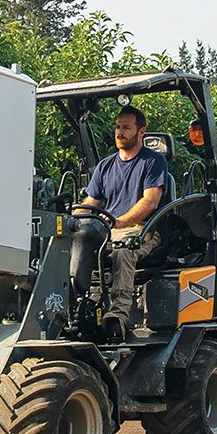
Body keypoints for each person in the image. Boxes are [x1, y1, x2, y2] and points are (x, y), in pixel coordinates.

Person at [68, 105, 168, 339]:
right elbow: (90, 203)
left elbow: (150, 202)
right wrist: (72, 223)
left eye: (126, 127)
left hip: (141, 229)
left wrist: (120, 222)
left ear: (141, 132)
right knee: (72, 244)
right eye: (117, 127)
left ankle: (118, 317)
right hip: (109, 229)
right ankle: (71, 308)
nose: (119, 132)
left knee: (123, 250)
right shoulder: (105, 166)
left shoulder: (153, 162)